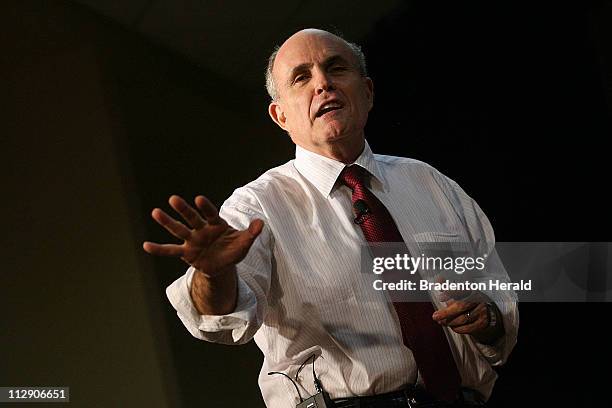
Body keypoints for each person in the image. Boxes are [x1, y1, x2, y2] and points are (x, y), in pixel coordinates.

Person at [143, 28, 518, 407]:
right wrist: (213, 274)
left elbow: (497, 293)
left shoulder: (430, 183)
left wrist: (486, 316)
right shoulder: (256, 206)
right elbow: (221, 320)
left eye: (336, 68)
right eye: (301, 77)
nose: (323, 83)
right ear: (281, 115)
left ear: (368, 92)